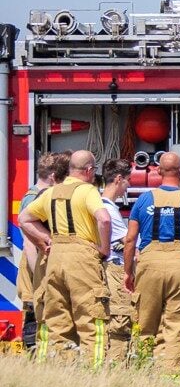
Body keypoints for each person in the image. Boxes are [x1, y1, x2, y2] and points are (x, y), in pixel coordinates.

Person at [17, 150, 111, 366]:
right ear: (88, 171)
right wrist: (103, 249)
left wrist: (47, 239)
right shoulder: (88, 190)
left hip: (55, 258)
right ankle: (93, 371)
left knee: (58, 321)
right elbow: (104, 219)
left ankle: (61, 369)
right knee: (91, 318)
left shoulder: (51, 192)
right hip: (82, 258)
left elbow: (24, 219)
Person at [123, 152, 180, 376]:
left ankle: (141, 375)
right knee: (176, 327)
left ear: (158, 172)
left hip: (149, 265)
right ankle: (169, 379)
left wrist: (127, 273)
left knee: (145, 326)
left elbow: (130, 240)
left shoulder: (144, 200)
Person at [15, 152, 68, 351]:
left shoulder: (41, 195)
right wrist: (38, 275)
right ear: (54, 176)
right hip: (34, 262)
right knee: (33, 311)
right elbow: (30, 243)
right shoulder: (34, 198)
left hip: (39, 259)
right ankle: (34, 356)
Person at [99, 159, 134, 363]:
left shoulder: (101, 206)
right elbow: (127, 241)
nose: (128, 186)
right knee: (120, 324)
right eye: (128, 181)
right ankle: (117, 366)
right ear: (118, 179)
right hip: (115, 270)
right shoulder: (109, 210)